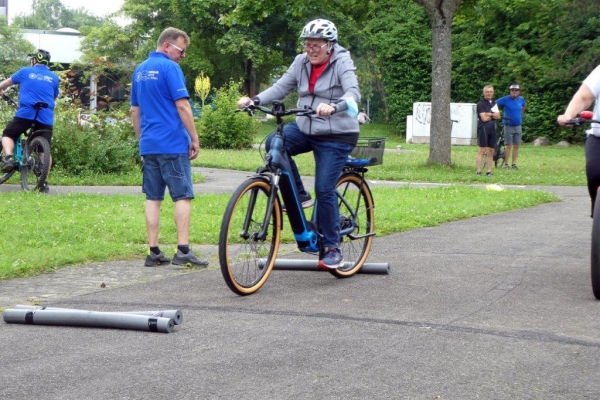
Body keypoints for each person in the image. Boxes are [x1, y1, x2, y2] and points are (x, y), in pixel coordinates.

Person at [237, 18, 361, 270]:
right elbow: (281, 87)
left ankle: (333, 246)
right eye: (307, 44)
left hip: (337, 133)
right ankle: (300, 195)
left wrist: (335, 106)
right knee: (275, 143)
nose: (310, 49)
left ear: (330, 45)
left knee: (325, 188)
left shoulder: (342, 62)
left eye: (316, 44)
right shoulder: (300, 62)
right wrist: (254, 99)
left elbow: (353, 94)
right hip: (307, 126)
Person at [130, 27, 208, 268]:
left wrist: (142, 139)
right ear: (167, 46)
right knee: (182, 195)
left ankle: (153, 252)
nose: (182, 56)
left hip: (150, 144)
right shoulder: (170, 68)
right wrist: (194, 138)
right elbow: (183, 107)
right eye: (181, 51)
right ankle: (183, 250)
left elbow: (135, 111)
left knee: (153, 197)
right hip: (172, 143)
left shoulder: (140, 70)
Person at [0, 49, 59, 193]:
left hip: (26, 113)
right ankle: (44, 184)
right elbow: (54, 97)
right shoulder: (54, 77)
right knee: (44, 151)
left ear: (34, 60)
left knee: (8, 134)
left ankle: (8, 158)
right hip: (45, 117)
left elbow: (5, 84)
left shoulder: (25, 72)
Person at [557, 64, 600, 217]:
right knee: (595, 172)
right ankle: (598, 214)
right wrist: (569, 114)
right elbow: (584, 96)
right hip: (598, 137)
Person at [497, 84, 527, 169]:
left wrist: (521, 112)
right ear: (510, 91)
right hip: (508, 125)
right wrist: (497, 113)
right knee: (508, 145)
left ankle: (514, 164)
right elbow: (495, 104)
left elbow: (524, 105)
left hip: (518, 125)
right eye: (512, 90)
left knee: (517, 145)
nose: (514, 92)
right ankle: (506, 164)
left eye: (516, 90)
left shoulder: (521, 99)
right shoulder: (505, 99)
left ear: (519, 92)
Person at [475, 85, 500, 176]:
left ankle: (488, 171)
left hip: (493, 128)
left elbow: (498, 116)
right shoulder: (480, 104)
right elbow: (484, 118)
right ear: (484, 93)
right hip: (484, 128)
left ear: (493, 93)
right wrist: (492, 115)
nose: (489, 93)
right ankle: (478, 170)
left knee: (491, 151)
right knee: (482, 149)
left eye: (491, 92)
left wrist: (488, 114)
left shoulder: (494, 103)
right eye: (487, 92)